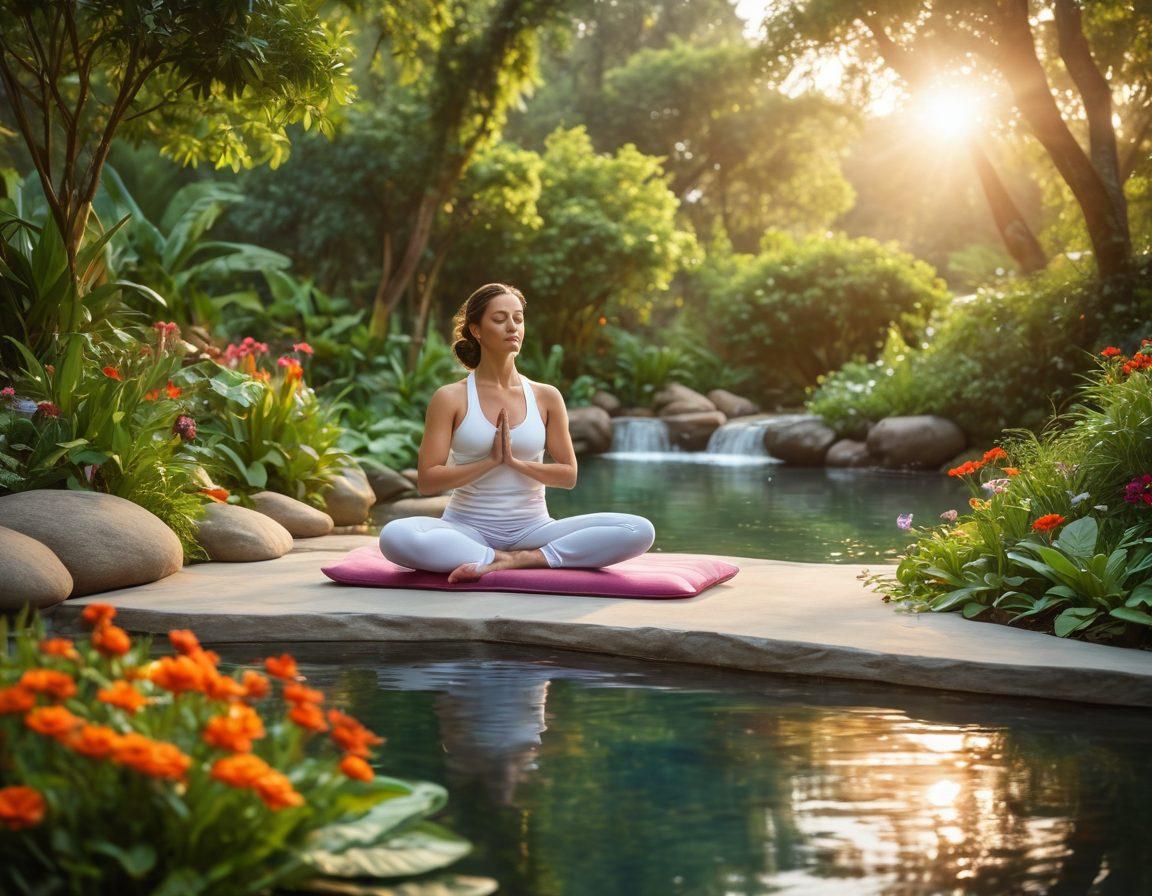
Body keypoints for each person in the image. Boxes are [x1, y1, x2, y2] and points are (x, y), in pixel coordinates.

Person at [378, 282, 655, 583]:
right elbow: (428, 481)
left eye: (518, 318)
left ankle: (524, 559)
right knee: (395, 536)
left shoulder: (546, 396)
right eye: (499, 319)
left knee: (639, 530)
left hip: (534, 530)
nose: (513, 327)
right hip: (466, 529)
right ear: (477, 330)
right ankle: (495, 558)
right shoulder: (450, 398)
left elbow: (568, 475)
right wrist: (490, 461)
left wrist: (515, 463)